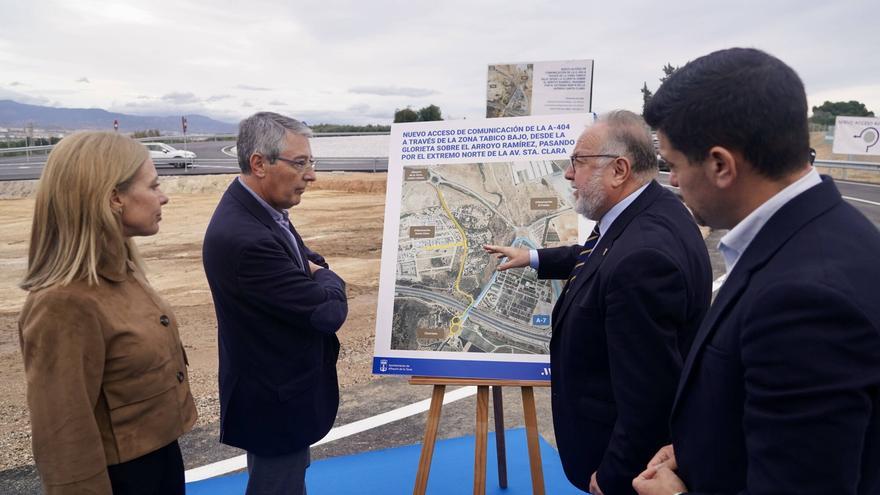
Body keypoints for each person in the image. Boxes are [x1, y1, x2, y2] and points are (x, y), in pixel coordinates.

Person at [634, 47, 880, 495]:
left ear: (720, 165)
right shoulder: (826, 232)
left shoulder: (805, 300)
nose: (671, 181)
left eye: (674, 164)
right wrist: (696, 448)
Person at [484, 110, 712, 495]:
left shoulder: (642, 260)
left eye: (578, 163)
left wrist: (614, 474)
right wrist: (535, 257)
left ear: (619, 170)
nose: (569, 174)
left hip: (622, 466)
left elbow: (648, 396)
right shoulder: (651, 213)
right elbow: (599, 255)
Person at [18, 131, 197, 494]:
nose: (163, 196)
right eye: (153, 185)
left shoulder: (122, 272)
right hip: (124, 480)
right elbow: (64, 437)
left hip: (160, 461)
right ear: (114, 197)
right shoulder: (63, 302)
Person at [202, 112, 347, 494]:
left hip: (279, 390)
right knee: (277, 485)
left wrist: (314, 270)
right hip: (273, 399)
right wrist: (327, 277)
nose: (311, 175)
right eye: (300, 163)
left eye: (310, 162)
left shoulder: (262, 209)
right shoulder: (248, 238)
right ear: (259, 164)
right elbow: (327, 311)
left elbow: (304, 256)